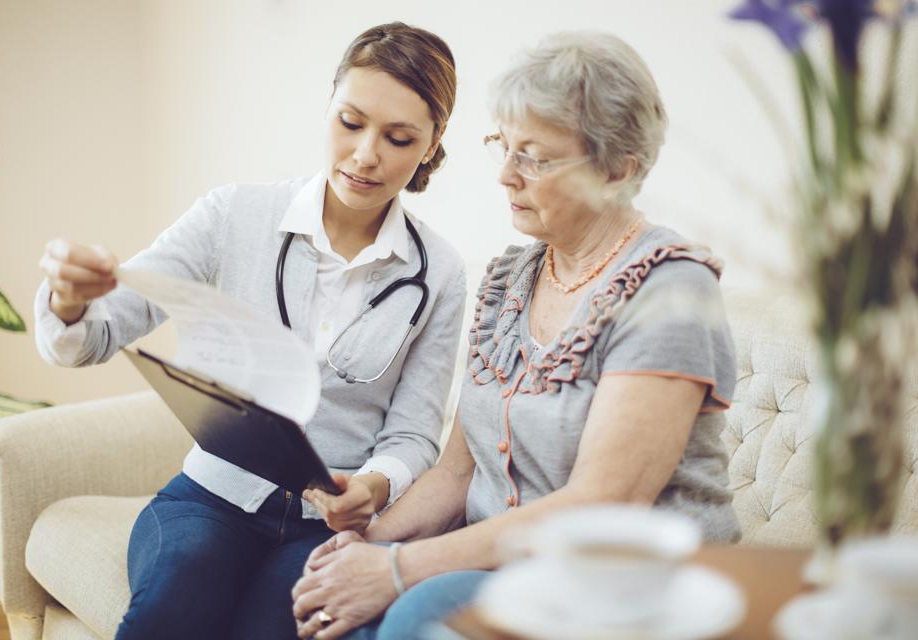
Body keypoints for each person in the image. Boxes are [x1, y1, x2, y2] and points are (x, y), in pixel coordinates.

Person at [291, 31, 741, 640]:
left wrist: (396, 570)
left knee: (413, 617)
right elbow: (457, 475)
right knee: (309, 595)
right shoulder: (513, 278)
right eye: (503, 146)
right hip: (500, 563)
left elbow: (600, 506)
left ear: (618, 170)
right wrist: (361, 545)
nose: (505, 175)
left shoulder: (670, 291)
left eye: (535, 157)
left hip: (621, 581)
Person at [34, 22, 466, 640]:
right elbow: (95, 336)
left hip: (328, 527)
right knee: (173, 608)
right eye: (350, 122)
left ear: (431, 144)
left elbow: (416, 433)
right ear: (327, 107)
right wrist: (70, 300)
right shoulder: (232, 215)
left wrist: (373, 485)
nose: (367, 154)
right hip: (209, 500)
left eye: (399, 138)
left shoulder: (440, 273)